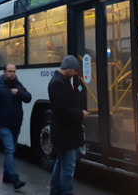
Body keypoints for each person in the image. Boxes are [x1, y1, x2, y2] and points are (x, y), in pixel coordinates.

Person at [48, 56, 89, 195]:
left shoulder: (61, 81)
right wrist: (80, 114)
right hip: (66, 134)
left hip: (65, 133)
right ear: (69, 68)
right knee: (68, 167)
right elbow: (62, 109)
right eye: (75, 70)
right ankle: (66, 192)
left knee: (61, 163)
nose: (76, 73)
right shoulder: (58, 83)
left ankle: (55, 191)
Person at [0, 64, 32, 190]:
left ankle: (6, 175)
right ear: (4, 72)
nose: (12, 73)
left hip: (16, 124)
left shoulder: (18, 85)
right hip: (4, 125)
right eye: (10, 71)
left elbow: (28, 97)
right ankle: (14, 178)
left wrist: (18, 94)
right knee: (10, 149)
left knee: (11, 151)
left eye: (14, 71)